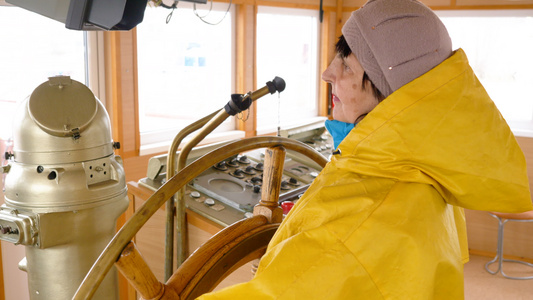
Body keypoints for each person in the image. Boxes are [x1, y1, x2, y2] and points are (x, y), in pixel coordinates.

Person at [199, 0, 532, 298]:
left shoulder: (359, 223)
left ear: (392, 95)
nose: (327, 73)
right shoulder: (424, 175)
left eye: (346, 65)